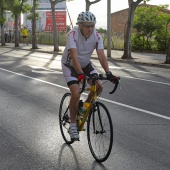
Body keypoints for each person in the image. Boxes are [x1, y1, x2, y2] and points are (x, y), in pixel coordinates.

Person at [61, 11, 118, 141]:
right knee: (76, 93)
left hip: (86, 65)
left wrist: (108, 73)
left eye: (92, 25)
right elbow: (74, 57)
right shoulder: (73, 34)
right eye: (87, 26)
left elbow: (101, 56)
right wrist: (80, 75)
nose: (90, 29)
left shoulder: (97, 36)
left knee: (98, 87)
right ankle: (73, 125)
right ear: (80, 25)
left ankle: (83, 109)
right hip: (70, 65)